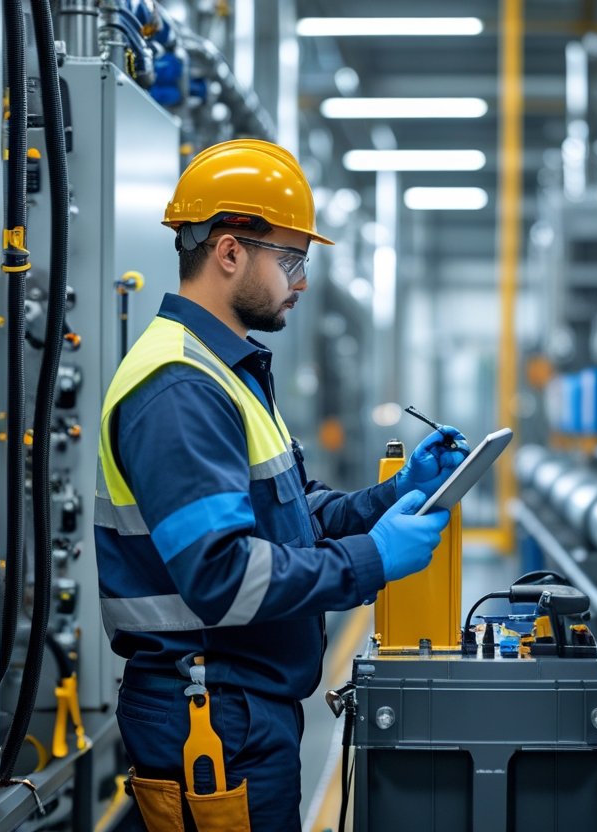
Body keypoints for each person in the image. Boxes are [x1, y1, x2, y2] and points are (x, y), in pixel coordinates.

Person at [95, 139, 466, 831]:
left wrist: (396, 493)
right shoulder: (179, 386)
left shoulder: (223, 371)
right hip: (212, 718)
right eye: (291, 260)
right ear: (230, 252)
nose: (301, 281)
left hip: (240, 710)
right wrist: (375, 559)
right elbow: (224, 576)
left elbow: (295, 515)